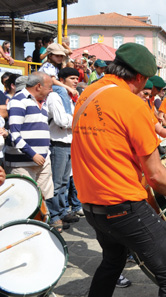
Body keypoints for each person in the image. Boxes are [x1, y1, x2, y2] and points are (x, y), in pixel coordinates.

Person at [72, 43, 166, 297]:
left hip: (90, 206)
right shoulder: (132, 105)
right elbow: (155, 175)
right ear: (140, 77)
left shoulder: (88, 92)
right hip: (124, 207)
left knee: (112, 261)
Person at [5, 72, 56, 229]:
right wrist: (32, 154)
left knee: (42, 198)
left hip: (42, 160)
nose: (51, 90)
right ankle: (24, 232)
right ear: (38, 86)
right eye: (49, 87)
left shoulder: (42, 102)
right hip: (23, 162)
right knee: (24, 202)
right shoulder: (19, 101)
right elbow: (14, 134)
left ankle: (40, 229)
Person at [46, 67, 82, 230]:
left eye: (77, 78)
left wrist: (73, 122)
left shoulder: (72, 98)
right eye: (72, 78)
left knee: (65, 181)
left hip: (69, 142)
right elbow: (61, 121)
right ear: (62, 80)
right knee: (57, 182)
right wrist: (74, 121)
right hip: (58, 143)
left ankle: (61, 211)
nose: (76, 81)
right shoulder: (54, 96)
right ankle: (54, 216)